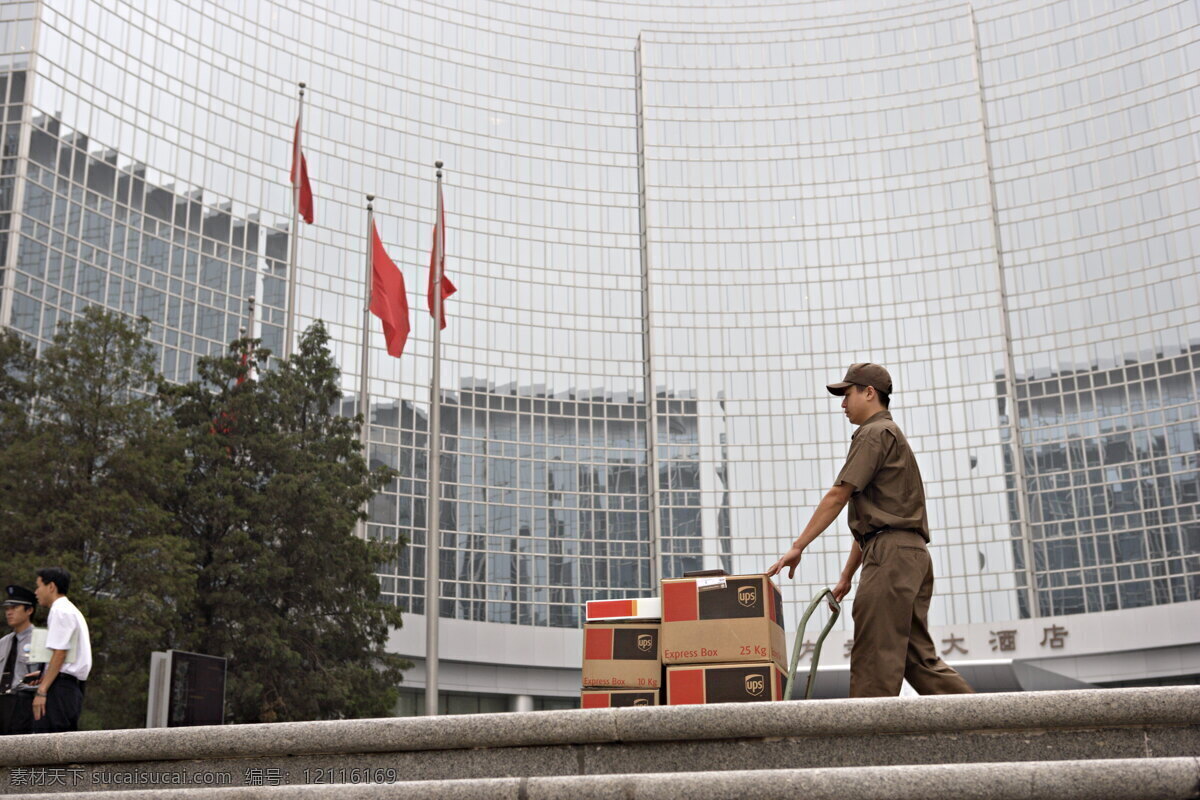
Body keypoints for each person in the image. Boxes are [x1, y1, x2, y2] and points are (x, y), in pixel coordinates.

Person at [767, 363, 973, 697]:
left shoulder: (874, 433)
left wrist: (798, 545)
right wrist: (848, 576)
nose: (842, 404)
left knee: (874, 656)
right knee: (916, 660)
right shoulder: (891, 436)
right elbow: (872, 524)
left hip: (891, 557)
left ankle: (865, 745)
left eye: (847, 394)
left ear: (869, 392)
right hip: (908, 554)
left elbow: (838, 495)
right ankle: (988, 728)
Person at [32, 567, 92, 733]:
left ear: (51, 587)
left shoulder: (60, 610)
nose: (36, 592)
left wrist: (42, 690)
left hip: (61, 688)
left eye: (38, 586)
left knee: (48, 745)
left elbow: (60, 653)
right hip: (68, 686)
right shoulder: (69, 609)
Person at [1, 585, 41, 735]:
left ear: (29, 610)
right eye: (7, 608)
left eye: (14, 607)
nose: (9, 612)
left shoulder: (41, 640)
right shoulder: (3, 642)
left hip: (23, 703)